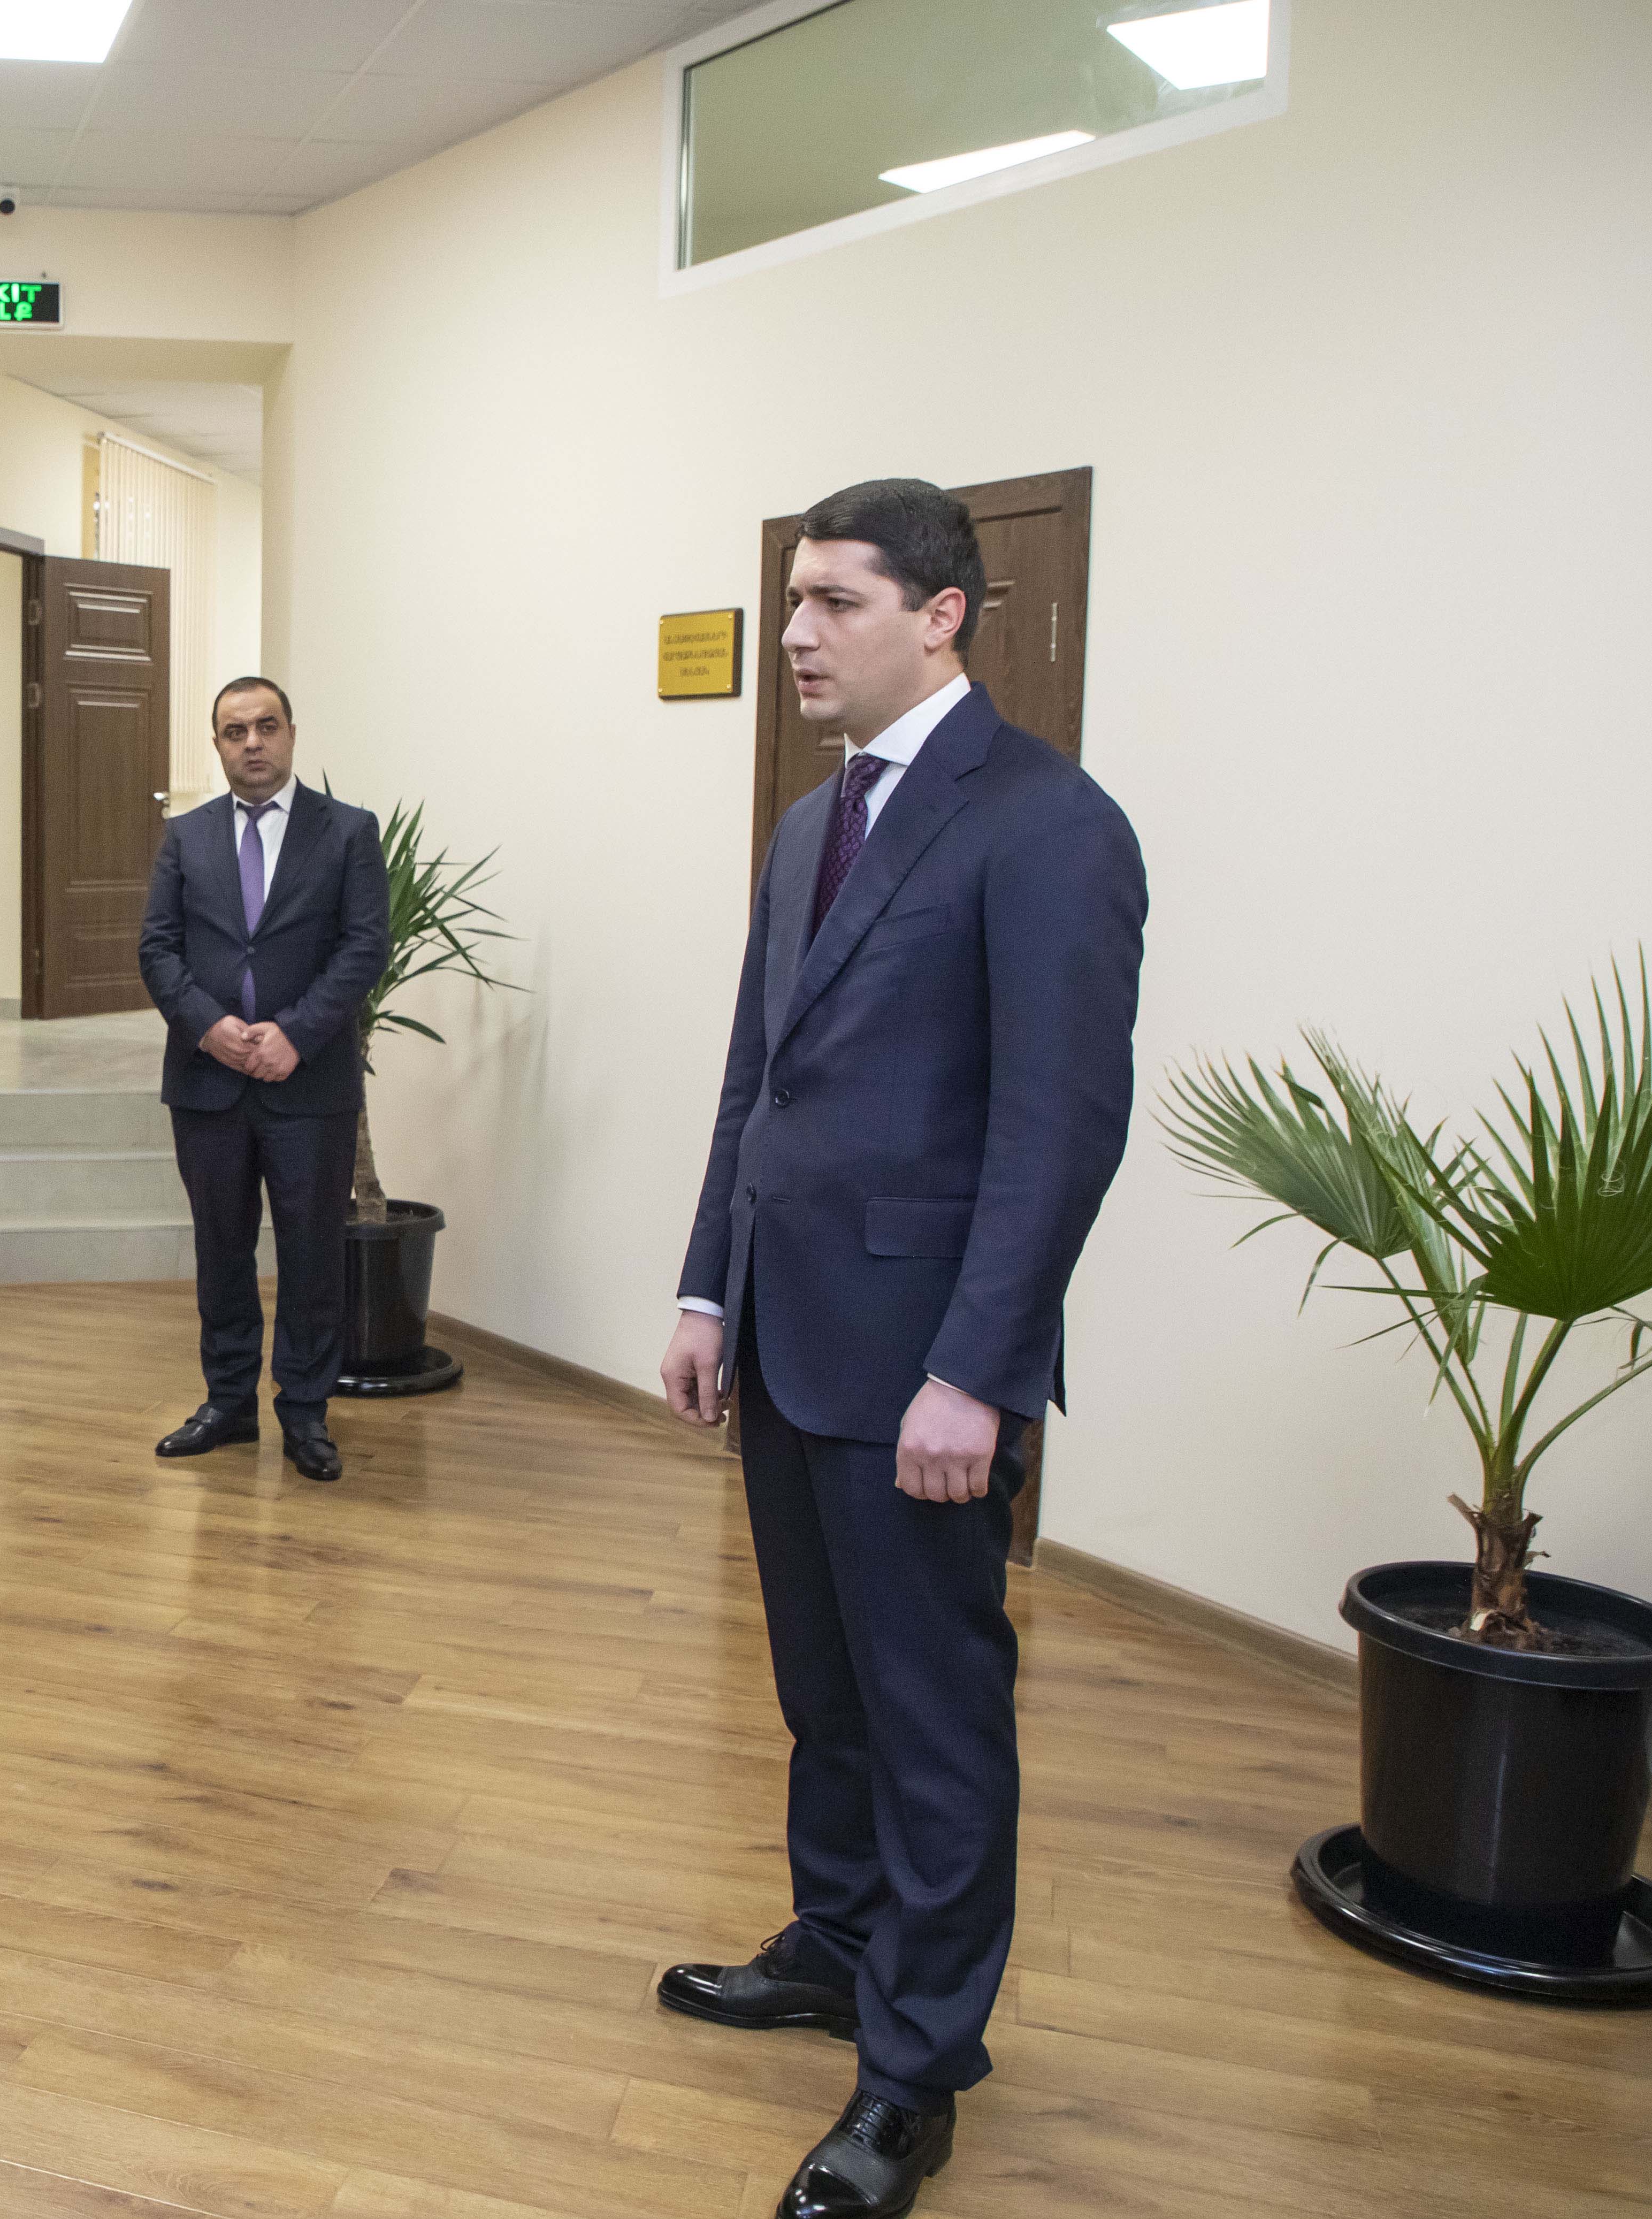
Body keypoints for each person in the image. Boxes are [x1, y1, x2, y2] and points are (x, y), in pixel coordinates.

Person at [654, 479, 1145, 2219]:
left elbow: (1056, 1128)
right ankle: (838, 1938)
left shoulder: (1046, 822)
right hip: (786, 1332)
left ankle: (912, 2066)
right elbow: (754, 1076)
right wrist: (706, 1289)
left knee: (933, 1716)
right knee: (823, 1689)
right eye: (791, 599)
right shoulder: (810, 823)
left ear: (941, 615)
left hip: (922, 1362)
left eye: (834, 602)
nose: (795, 632)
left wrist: (977, 1368)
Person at [135, 677, 387, 1483]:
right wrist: (206, 1026)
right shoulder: (186, 836)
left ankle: (305, 1412)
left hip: (308, 1085)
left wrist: (297, 1035)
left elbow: (364, 947)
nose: (252, 742)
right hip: (206, 1082)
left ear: (290, 733)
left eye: (266, 726)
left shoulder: (346, 831)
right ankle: (228, 1403)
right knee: (221, 1249)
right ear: (216, 744)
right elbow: (157, 947)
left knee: (311, 1252)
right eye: (234, 730)